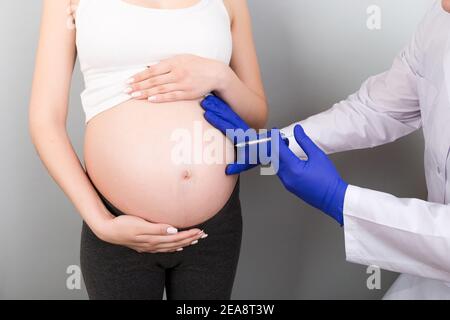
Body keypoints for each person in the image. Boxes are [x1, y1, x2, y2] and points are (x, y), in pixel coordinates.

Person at [201, 0, 450, 299]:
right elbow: (379, 109)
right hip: (433, 277)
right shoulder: (440, 20)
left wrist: (339, 199)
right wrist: (281, 143)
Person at [29, 0, 267, 300]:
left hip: (214, 229)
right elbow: (45, 121)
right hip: (119, 226)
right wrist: (101, 222)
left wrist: (220, 76)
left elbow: (256, 117)